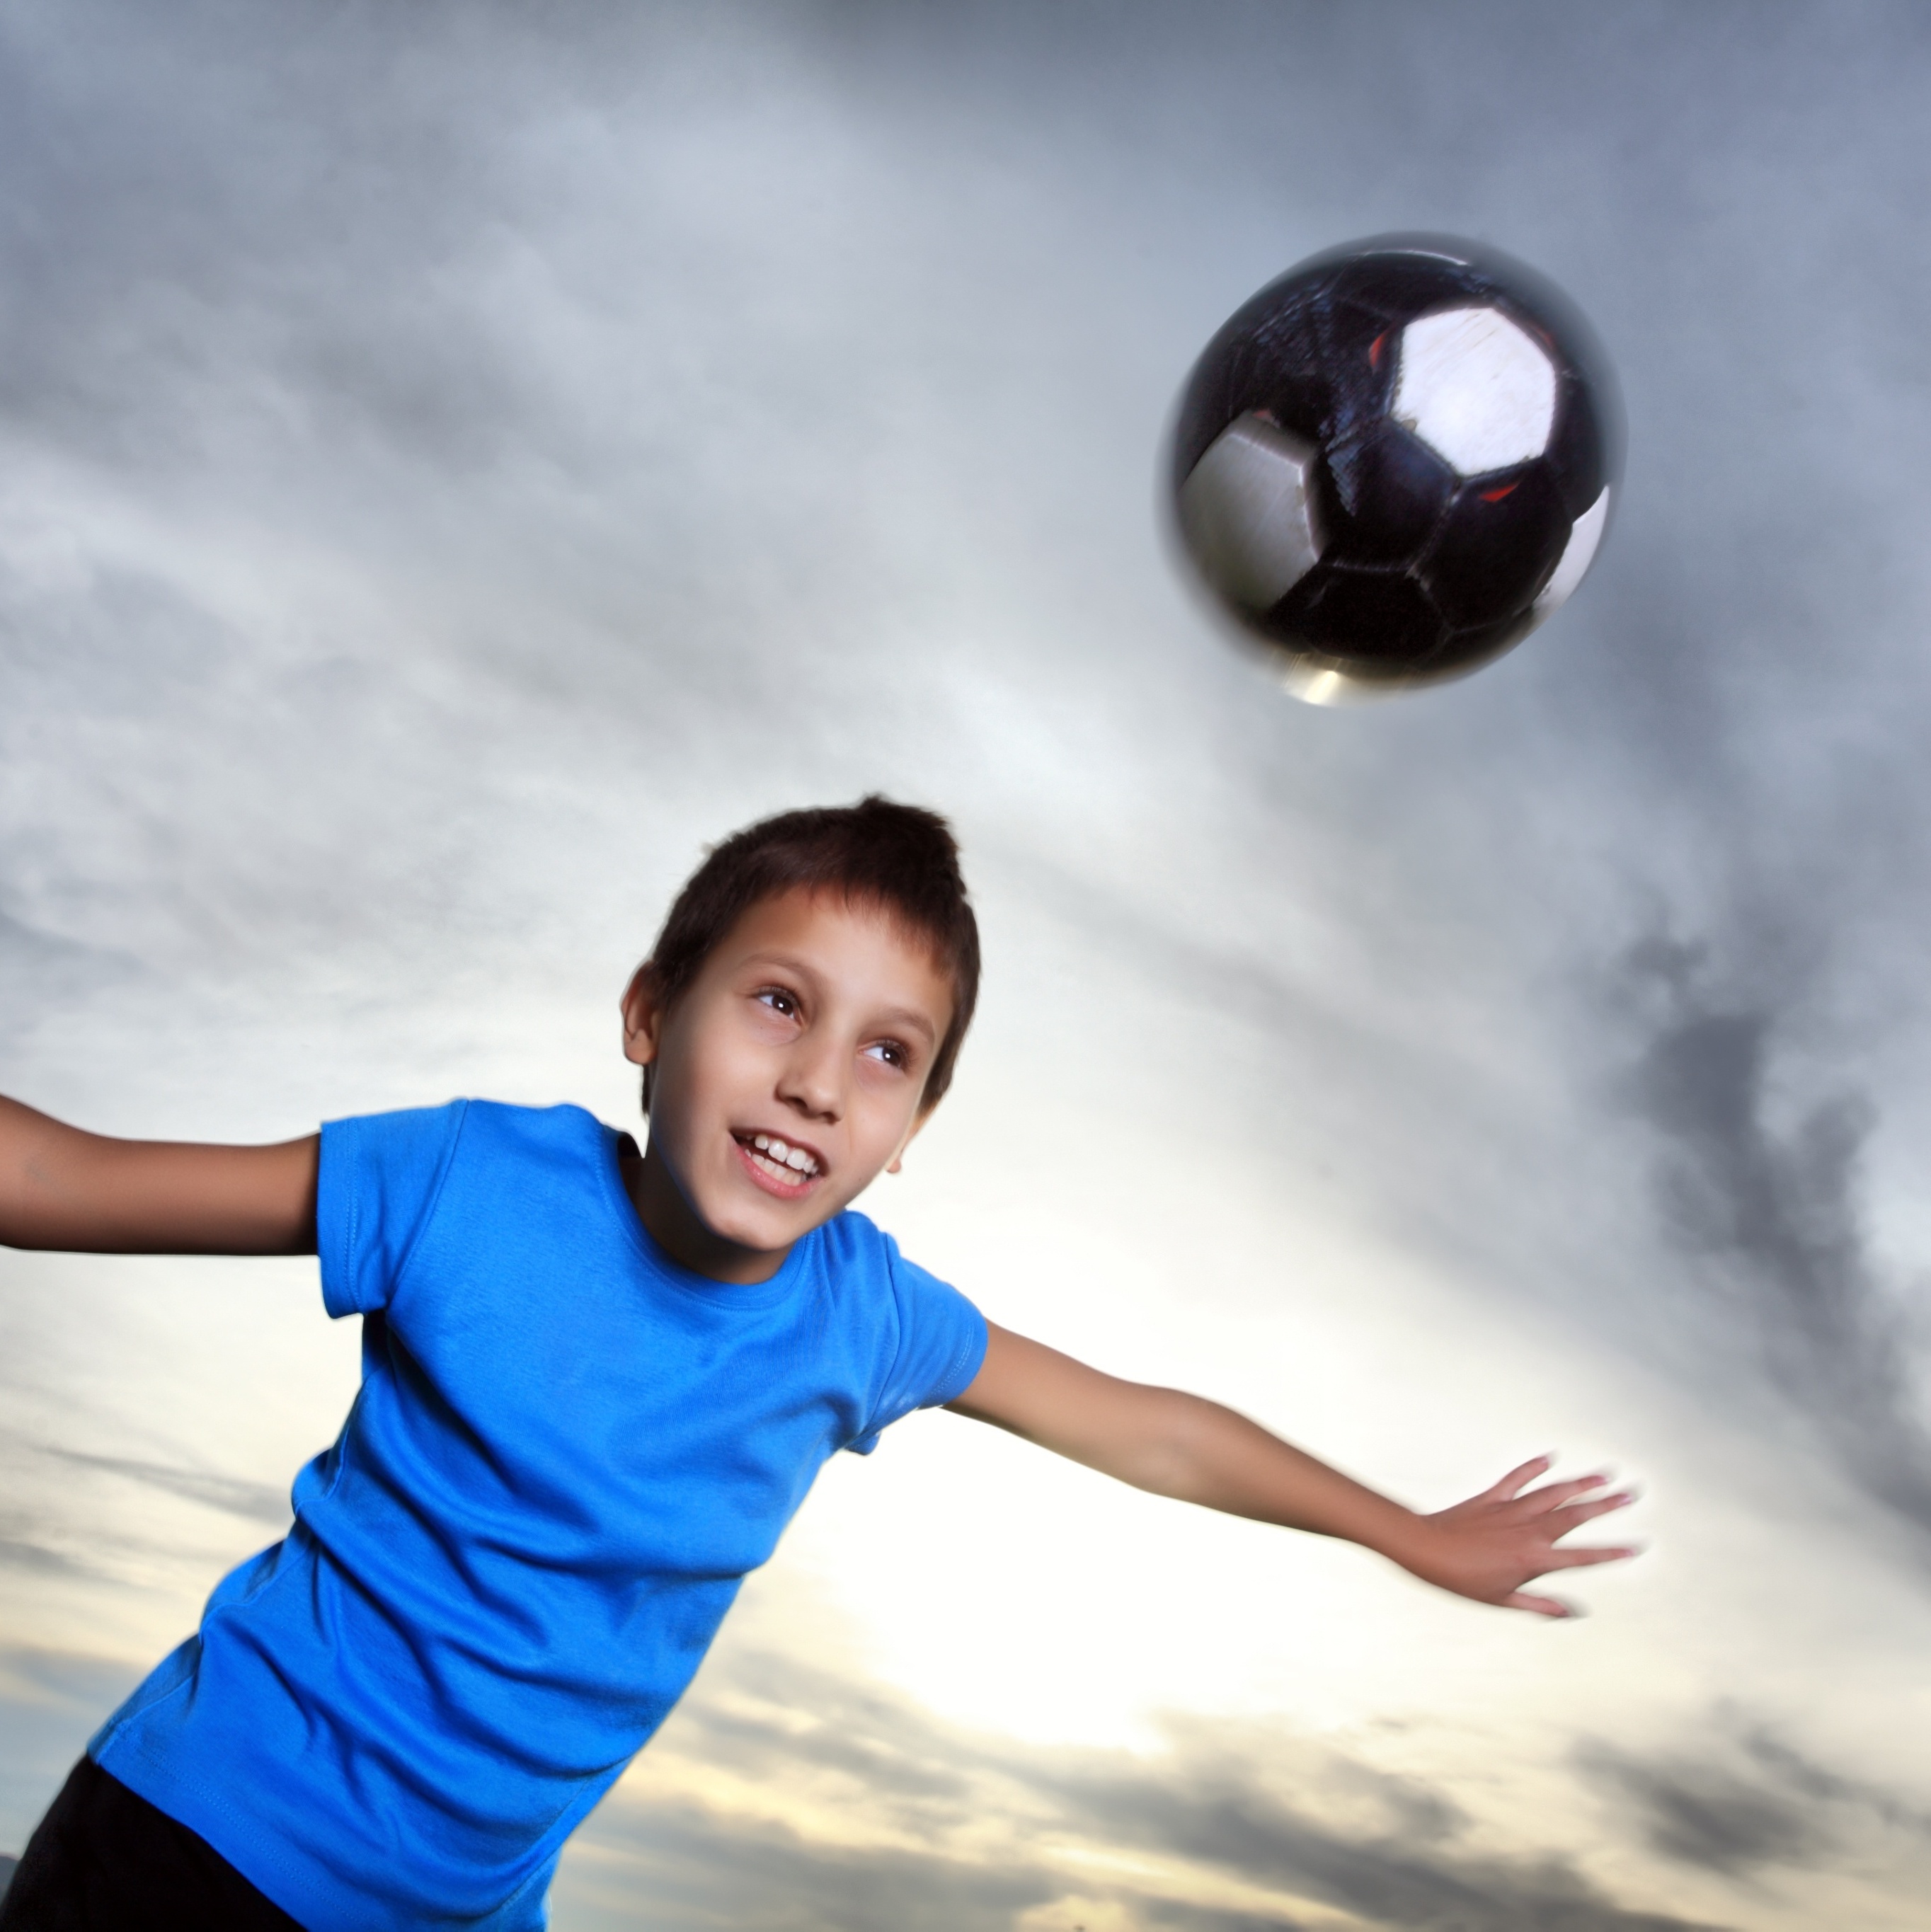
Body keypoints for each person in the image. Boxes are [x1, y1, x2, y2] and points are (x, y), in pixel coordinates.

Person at [0, 798, 1636, 1931]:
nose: (812, 1082)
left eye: (883, 1053)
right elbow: (66, 1183)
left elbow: (1153, 1434)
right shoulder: (464, 1183)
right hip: (196, 1848)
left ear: (911, 1131)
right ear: (651, 1014)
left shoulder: (862, 1317)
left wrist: (1405, 1530)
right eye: (775, 1003)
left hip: (463, 1906)